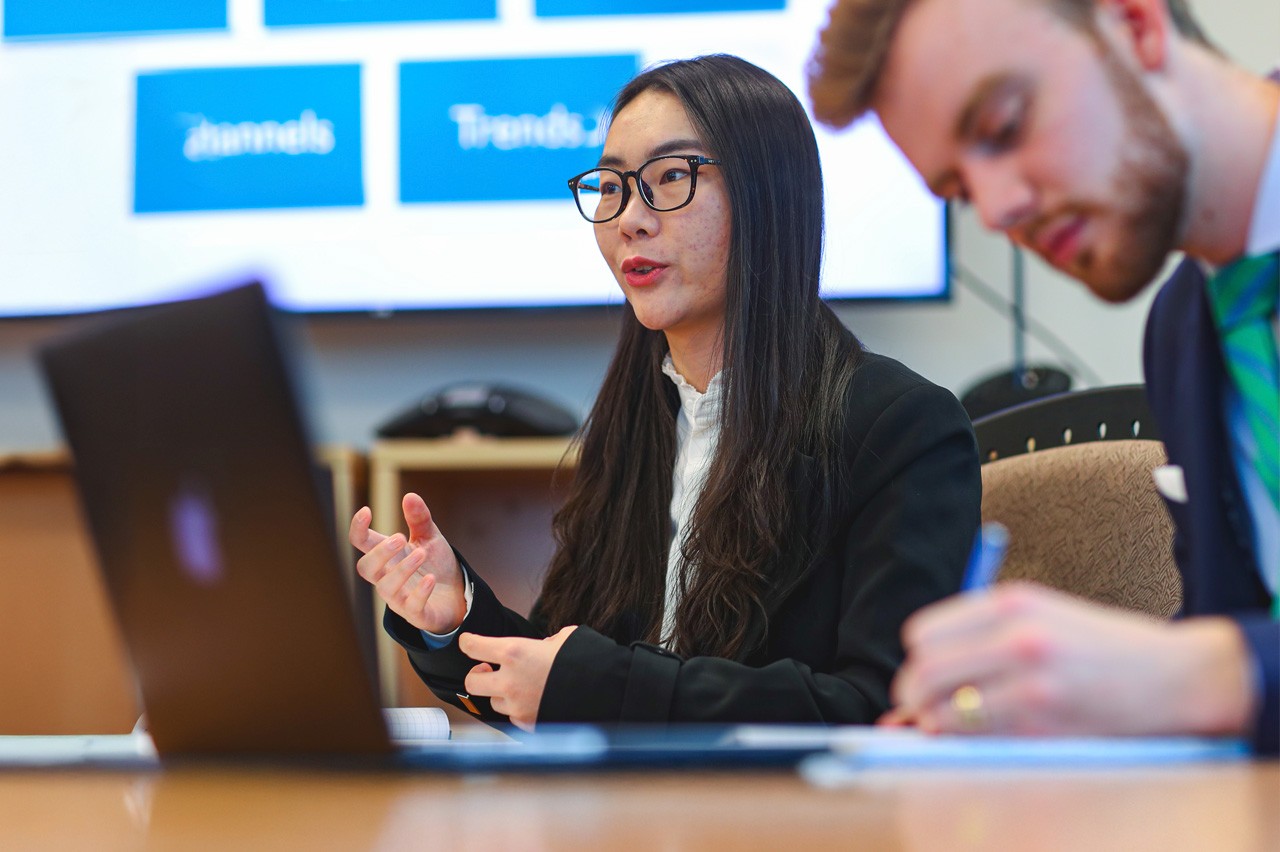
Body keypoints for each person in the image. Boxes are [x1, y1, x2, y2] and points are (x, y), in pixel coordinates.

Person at [349, 54, 980, 731]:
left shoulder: (901, 426)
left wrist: (598, 687)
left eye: (671, 177)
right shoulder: (638, 423)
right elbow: (561, 680)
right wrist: (457, 616)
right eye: (612, 185)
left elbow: (881, 708)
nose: (629, 219)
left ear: (769, 195)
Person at [808, 0, 1278, 753]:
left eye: (1005, 127)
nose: (999, 209)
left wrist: (1193, 674)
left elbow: (1228, 668)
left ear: (1135, 25)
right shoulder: (1187, 329)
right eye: (961, 190)